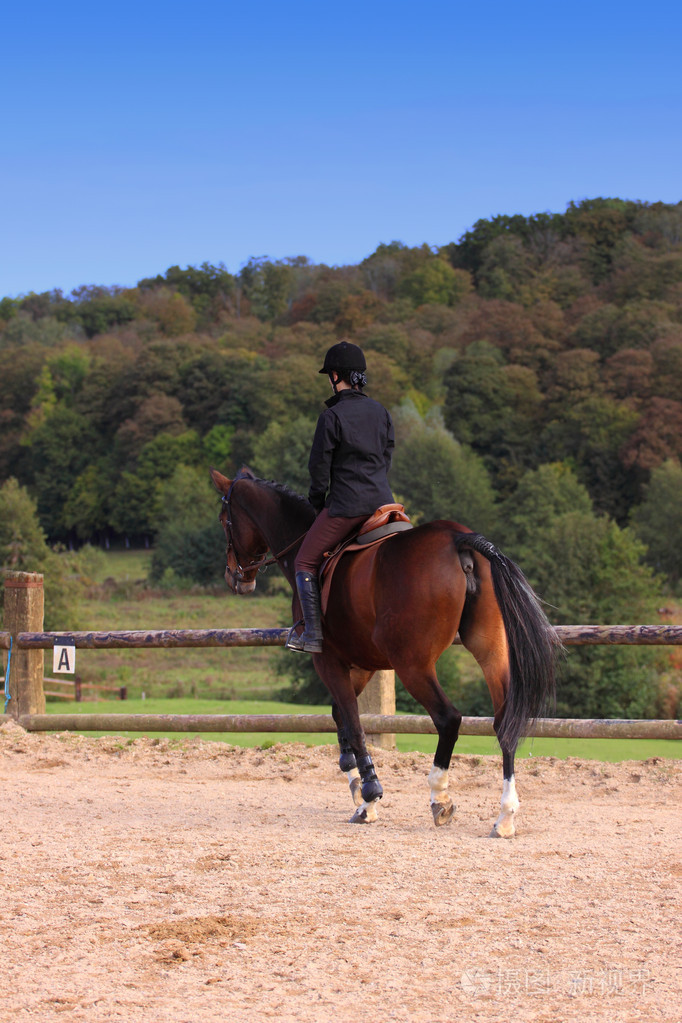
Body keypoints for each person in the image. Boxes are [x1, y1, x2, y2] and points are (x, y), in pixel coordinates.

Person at [287, 340, 395, 653]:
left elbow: (319, 470)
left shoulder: (331, 417)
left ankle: (313, 635)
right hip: (384, 505)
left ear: (335, 376)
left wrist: (318, 504)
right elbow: (387, 456)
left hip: (346, 507)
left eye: (328, 376)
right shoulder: (381, 412)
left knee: (305, 562)